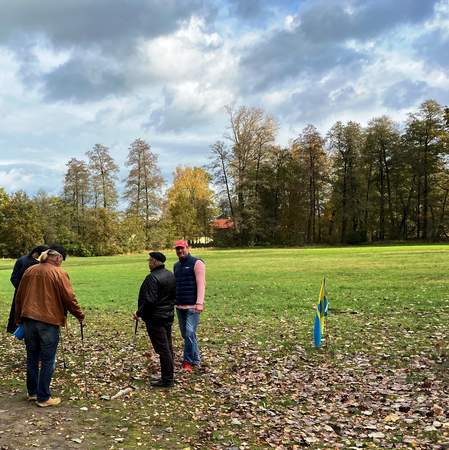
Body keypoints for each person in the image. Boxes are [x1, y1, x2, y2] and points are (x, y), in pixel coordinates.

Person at [15, 248, 85, 407]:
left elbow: (19, 295)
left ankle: (32, 393)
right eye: (62, 259)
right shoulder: (59, 273)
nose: (62, 262)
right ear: (58, 258)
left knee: (32, 357)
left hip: (28, 320)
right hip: (48, 321)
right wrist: (80, 315)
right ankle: (43, 397)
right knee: (48, 360)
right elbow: (69, 298)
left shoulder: (30, 270)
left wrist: (18, 318)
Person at [134, 251, 176, 388]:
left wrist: (139, 313)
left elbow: (149, 301)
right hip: (167, 316)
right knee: (168, 347)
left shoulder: (152, 278)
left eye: (150, 261)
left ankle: (167, 379)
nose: (149, 263)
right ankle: (168, 375)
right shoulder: (170, 275)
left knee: (162, 349)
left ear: (154, 262)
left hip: (155, 318)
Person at [173, 240, 206, 373]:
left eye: (182, 248)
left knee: (190, 332)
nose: (180, 251)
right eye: (177, 249)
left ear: (187, 248)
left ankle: (187, 362)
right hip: (180, 305)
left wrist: (200, 302)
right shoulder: (176, 266)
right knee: (186, 334)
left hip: (193, 306)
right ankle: (196, 358)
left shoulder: (197, 263)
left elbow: (201, 283)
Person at [7, 245, 48, 333]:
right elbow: (14, 277)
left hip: (35, 292)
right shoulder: (23, 261)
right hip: (21, 290)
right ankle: (16, 328)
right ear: (37, 253)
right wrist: (21, 289)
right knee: (18, 310)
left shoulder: (40, 263)